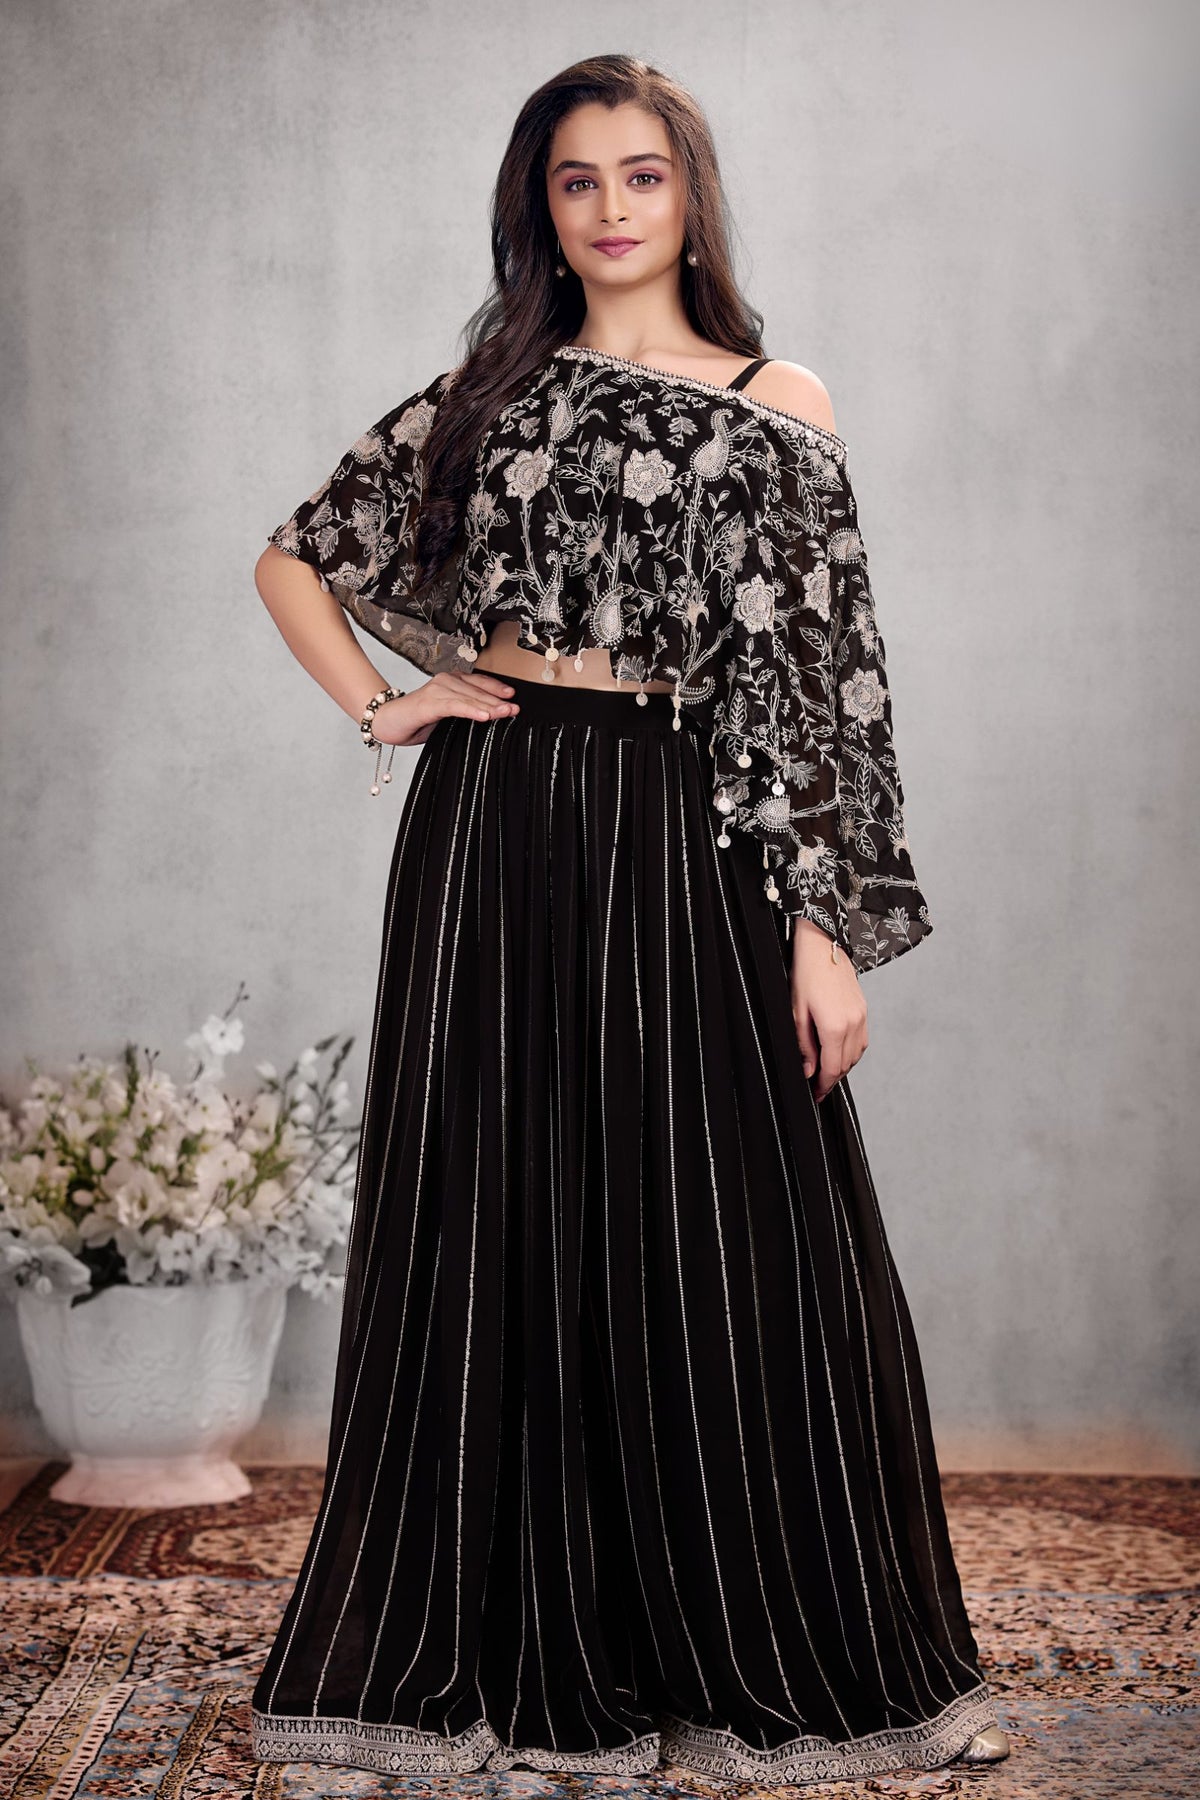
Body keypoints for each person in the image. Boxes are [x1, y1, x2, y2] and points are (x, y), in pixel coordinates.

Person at [248, 52, 1010, 1784]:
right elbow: (294, 557)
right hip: (496, 821)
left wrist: (825, 930)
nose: (609, 208)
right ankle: (517, 1643)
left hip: (686, 826)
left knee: (722, 1222)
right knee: (497, 1207)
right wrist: (387, 704)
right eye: (576, 179)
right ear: (542, 204)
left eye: (641, 175)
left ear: (689, 194)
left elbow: (825, 686)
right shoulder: (488, 394)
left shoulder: (777, 400)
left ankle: (744, 1641)